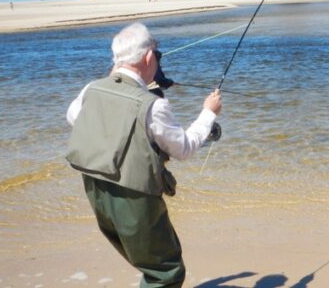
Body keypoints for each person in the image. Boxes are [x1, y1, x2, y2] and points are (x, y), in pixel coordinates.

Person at [66, 23, 222, 286]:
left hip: (95, 190)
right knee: (166, 272)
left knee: (148, 263)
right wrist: (209, 112)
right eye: (156, 55)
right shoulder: (154, 106)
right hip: (133, 198)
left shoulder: (91, 89)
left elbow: (74, 118)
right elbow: (184, 148)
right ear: (149, 57)